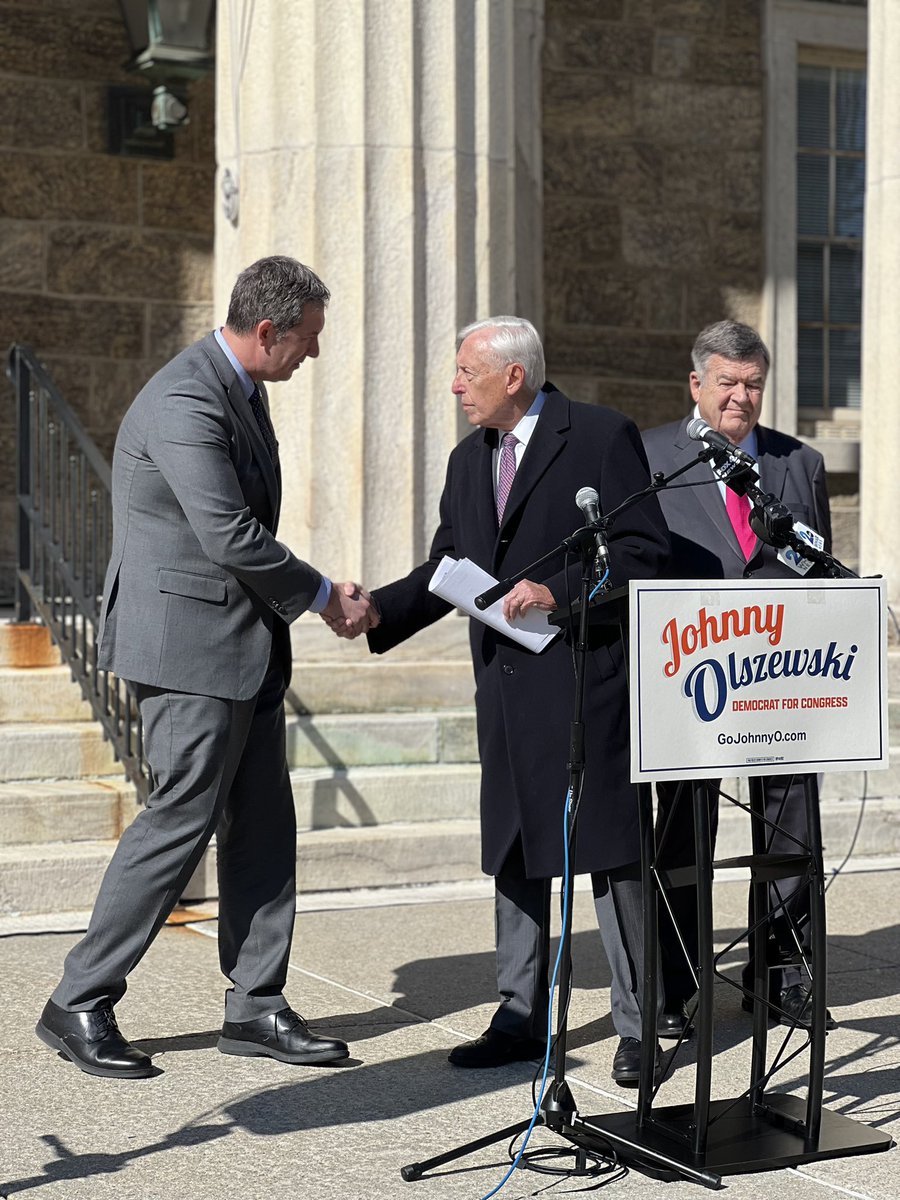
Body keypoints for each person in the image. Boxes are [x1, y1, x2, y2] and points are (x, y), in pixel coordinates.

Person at [36, 256, 378, 1079]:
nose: (314, 354)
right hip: (188, 650)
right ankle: (79, 999)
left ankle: (256, 1005)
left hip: (243, 646)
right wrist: (323, 594)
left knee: (264, 826)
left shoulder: (242, 389)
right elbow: (228, 533)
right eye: (308, 339)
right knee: (178, 822)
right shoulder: (188, 397)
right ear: (267, 331)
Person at [364, 316, 670, 1084]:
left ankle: (639, 1029)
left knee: (613, 857)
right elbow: (450, 563)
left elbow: (640, 555)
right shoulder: (471, 458)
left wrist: (560, 592)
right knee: (515, 853)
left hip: (582, 687)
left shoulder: (600, 436)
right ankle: (519, 1016)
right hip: (504, 688)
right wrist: (379, 611)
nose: (456, 386)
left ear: (513, 377)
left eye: (468, 372)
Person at [642, 319, 835, 1038]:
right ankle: (675, 986)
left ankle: (783, 979)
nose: (741, 397)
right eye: (726, 382)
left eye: (753, 384)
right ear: (696, 383)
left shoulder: (799, 463)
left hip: (781, 685)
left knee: (789, 831)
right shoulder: (650, 456)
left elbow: (819, 576)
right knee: (683, 835)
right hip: (691, 685)